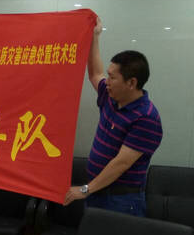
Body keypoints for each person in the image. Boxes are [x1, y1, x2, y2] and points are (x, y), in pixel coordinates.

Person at [64, 18, 162, 216]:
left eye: (112, 77)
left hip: (121, 200)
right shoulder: (111, 97)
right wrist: (95, 36)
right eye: (108, 76)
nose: (106, 81)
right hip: (97, 192)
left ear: (131, 83)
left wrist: (85, 190)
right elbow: (95, 73)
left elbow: (121, 164)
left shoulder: (146, 118)